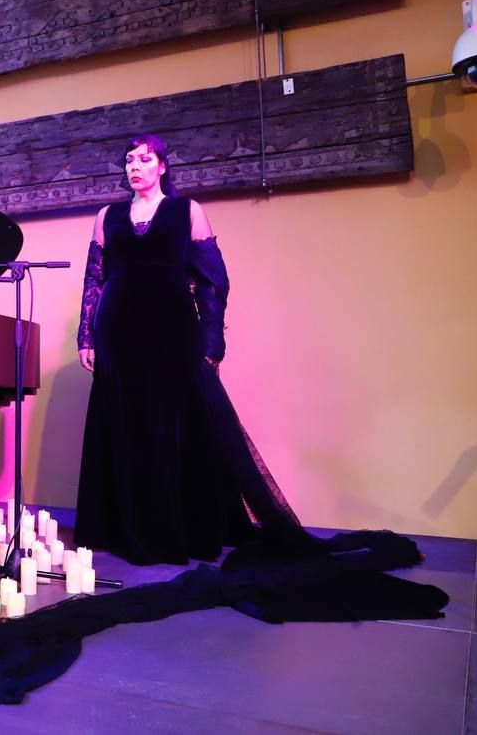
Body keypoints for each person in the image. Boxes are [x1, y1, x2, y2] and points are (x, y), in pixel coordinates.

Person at [74, 134, 304, 564]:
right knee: (123, 424)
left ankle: (176, 529)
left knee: (175, 425)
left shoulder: (187, 211)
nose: (134, 167)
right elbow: (94, 279)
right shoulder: (107, 216)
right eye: (128, 160)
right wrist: (86, 337)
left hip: (173, 331)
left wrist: (213, 340)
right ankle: (126, 528)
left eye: (144, 159)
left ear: (162, 166)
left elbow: (215, 281)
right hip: (117, 332)